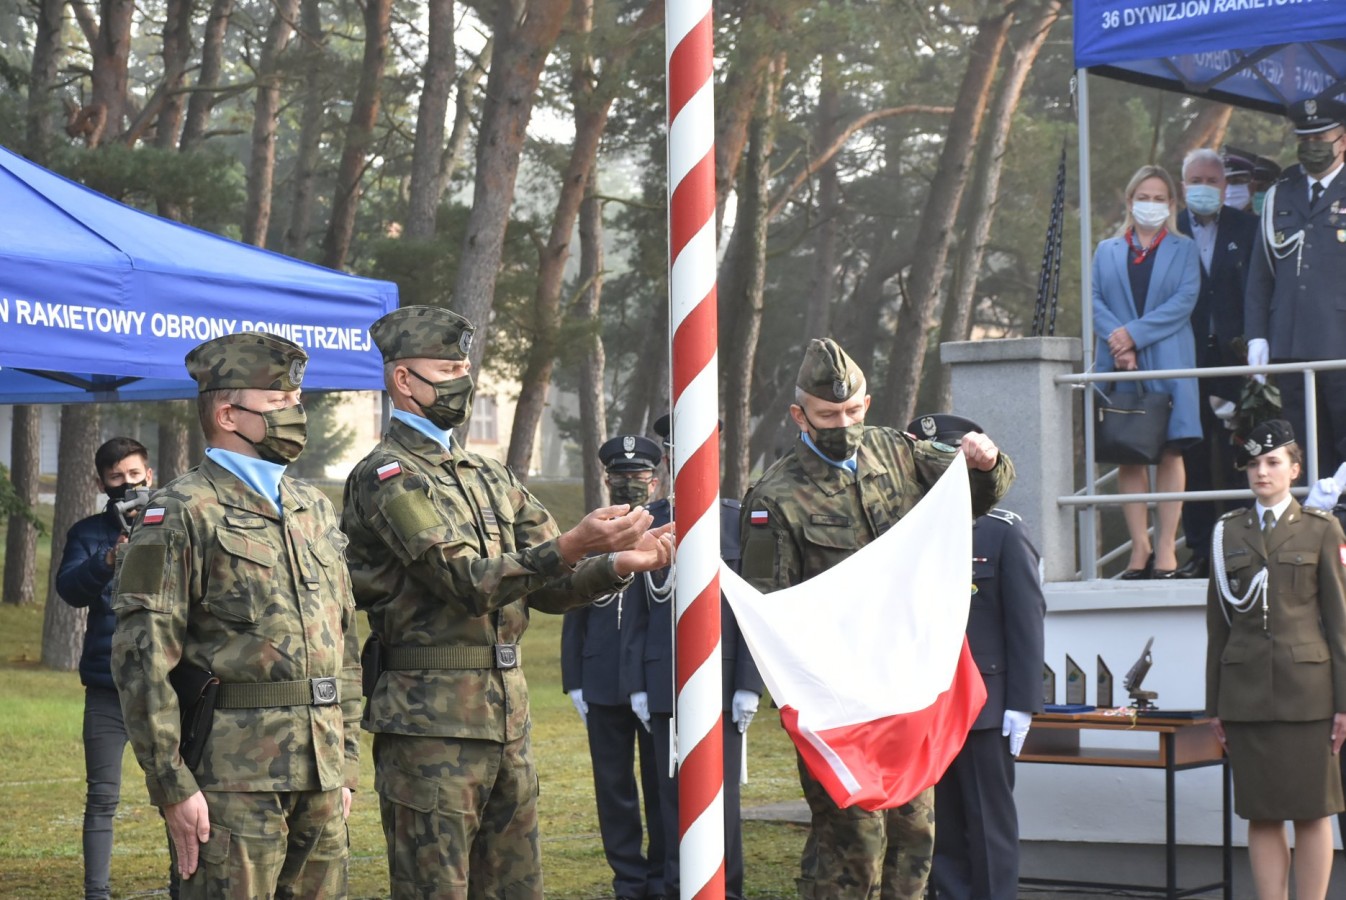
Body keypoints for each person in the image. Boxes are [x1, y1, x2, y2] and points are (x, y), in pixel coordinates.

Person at [340, 305, 675, 899]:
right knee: (434, 888)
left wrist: (620, 563)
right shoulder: (386, 476)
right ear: (402, 380)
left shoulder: (489, 475)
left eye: (464, 366)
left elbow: (546, 586)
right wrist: (573, 543)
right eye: (446, 367)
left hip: (506, 719)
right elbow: (465, 582)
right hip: (429, 726)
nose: (461, 381)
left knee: (516, 887)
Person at [739, 338, 1014, 900]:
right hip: (840, 698)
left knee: (915, 837)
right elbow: (772, 610)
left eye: (853, 410)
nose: (843, 423)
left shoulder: (898, 450)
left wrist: (987, 462)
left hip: (905, 682)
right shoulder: (775, 496)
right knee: (852, 848)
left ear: (868, 403)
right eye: (827, 415)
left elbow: (973, 493)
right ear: (799, 416)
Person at [110, 333, 362, 898]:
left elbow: (342, 641)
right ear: (227, 413)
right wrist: (172, 785)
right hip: (231, 784)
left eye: (297, 403)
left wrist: (344, 762)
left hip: (321, 778)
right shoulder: (179, 511)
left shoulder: (313, 508)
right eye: (280, 406)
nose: (297, 417)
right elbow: (142, 658)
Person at [620, 413, 763, 900]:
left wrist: (748, 682)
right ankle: (678, 890)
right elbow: (636, 612)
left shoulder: (736, 520)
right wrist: (636, 682)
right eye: (678, 449)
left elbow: (749, 609)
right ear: (668, 456)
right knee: (670, 801)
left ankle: (730, 891)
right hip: (665, 684)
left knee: (722, 803)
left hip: (721, 686)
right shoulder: (651, 522)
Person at [906, 415, 1045, 900]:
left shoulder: (1002, 531)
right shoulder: (906, 529)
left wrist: (1023, 702)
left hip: (986, 705)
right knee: (939, 825)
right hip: (926, 701)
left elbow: (1026, 620)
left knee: (989, 824)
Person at [1206, 419, 1346, 900]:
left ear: (1295, 469)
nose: (1261, 472)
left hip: (1309, 695)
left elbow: (1340, 624)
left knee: (1312, 810)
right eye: (1253, 464)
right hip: (1245, 696)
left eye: (1272, 462)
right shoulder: (1227, 532)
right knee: (1262, 812)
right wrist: (1214, 707)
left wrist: (1344, 704)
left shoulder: (1322, 530)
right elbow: (1217, 627)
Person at [560, 434, 667, 900]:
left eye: (637, 478)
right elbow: (573, 608)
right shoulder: (593, 531)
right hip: (600, 676)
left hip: (649, 679)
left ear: (655, 480)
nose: (628, 486)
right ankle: (628, 879)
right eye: (620, 478)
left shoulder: (669, 529)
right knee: (613, 786)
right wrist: (573, 680)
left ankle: (664, 876)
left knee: (661, 785)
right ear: (607, 481)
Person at [57, 438, 165, 900]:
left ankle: (185, 884)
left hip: (167, 686)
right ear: (101, 482)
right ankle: (95, 893)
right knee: (102, 798)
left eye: (134, 475)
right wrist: (107, 559)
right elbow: (70, 591)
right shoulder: (87, 532)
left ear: (150, 475)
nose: (127, 484)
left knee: (175, 793)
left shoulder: (174, 521)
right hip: (106, 686)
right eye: (117, 477)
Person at [1092, 164, 1202, 578]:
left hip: (1169, 358)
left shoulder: (1183, 248)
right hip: (1119, 363)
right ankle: (1139, 550)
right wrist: (1118, 343)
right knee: (1129, 452)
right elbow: (1096, 300)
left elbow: (1183, 301)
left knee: (1170, 450)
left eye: (1160, 198)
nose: (1151, 205)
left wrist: (1132, 336)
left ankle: (1168, 552)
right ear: (1129, 200)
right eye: (1144, 197)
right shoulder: (1106, 250)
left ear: (1172, 204)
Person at [1246, 98, 1346, 478]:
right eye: (1304, 138)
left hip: (1341, 344)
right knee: (1302, 452)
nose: (1312, 145)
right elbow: (1260, 275)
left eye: (1321, 136)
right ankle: (1311, 532)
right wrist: (1257, 337)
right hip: (1290, 345)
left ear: (1343, 140)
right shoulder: (1280, 192)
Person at [1175, 149, 1260, 579]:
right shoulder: (1169, 229)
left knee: (1237, 453)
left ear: (1225, 187)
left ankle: (1242, 550)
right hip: (1184, 358)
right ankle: (1200, 552)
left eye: (1213, 180)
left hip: (1236, 359)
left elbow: (1259, 290)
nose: (1205, 187)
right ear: (1182, 185)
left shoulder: (1248, 227)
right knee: (1190, 456)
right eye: (1196, 179)